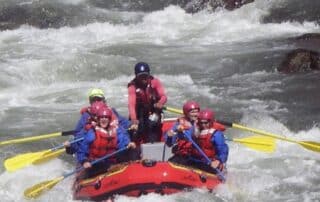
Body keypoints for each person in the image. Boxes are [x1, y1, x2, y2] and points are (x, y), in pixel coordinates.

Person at [76, 107, 136, 179]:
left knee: (133, 152)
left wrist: (128, 144)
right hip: (96, 163)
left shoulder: (116, 130)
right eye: (101, 117)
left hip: (111, 162)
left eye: (106, 117)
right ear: (98, 119)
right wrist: (84, 161)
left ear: (109, 119)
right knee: (101, 166)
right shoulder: (92, 133)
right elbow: (82, 150)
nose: (104, 119)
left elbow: (123, 141)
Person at [128, 62, 167, 143]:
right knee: (138, 128)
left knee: (152, 125)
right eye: (141, 76)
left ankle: (153, 143)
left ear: (149, 75)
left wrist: (160, 103)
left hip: (154, 110)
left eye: (145, 75)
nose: (144, 78)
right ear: (136, 76)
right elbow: (131, 105)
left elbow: (163, 96)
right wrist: (134, 120)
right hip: (139, 111)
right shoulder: (132, 86)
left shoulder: (155, 82)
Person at [192, 109, 229, 173]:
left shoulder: (216, 134)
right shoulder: (196, 131)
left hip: (211, 162)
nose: (203, 125)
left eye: (205, 123)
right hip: (199, 160)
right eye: (201, 122)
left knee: (205, 167)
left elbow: (224, 149)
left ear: (211, 122)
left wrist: (218, 161)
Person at [165, 100, 200, 166]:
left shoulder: (203, 123)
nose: (195, 114)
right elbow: (169, 144)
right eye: (192, 112)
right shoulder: (179, 124)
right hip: (184, 154)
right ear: (187, 113)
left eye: (197, 112)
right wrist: (170, 136)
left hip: (197, 154)